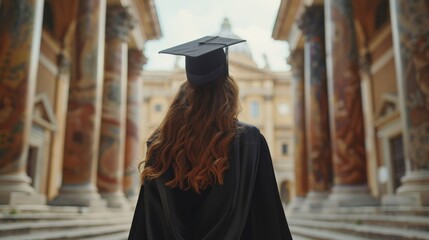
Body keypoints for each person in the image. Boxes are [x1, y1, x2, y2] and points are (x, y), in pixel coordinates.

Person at [128, 36, 292, 240]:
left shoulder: (160, 144)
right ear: (228, 91)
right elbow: (267, 218)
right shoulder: (250, 141)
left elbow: (147, 221)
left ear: (186, 90)